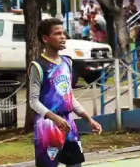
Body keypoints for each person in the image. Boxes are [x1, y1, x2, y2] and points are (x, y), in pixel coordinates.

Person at [28, 18, 102, 167]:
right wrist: (55, 118)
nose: (63, 37)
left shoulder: (67, 63)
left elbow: (69, 97)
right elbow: (33, 101)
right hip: (47, 127)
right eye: (57, 33)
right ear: (45, 38)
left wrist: (89, 119)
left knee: (76, 164)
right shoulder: (38, 66)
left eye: (63, 33)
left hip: (68, 124)